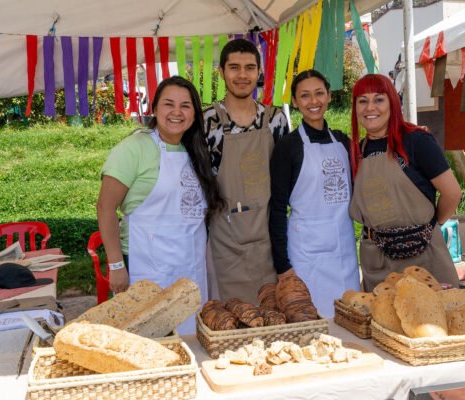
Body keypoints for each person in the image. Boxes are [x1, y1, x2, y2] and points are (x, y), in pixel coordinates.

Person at [97, 76, 222, 334]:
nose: (177, 112)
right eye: (169, 104)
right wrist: (116, 265)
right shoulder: (134, 148)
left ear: (194, 114)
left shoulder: (196, 150)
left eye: (186, 106)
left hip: (190, 266)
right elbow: (105, 208)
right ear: (154, 109)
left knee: (190, 340)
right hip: (146, 266)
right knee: (146, 340)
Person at [349, 74, 461, 291]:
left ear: (392, 102)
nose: (370, 107)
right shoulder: (355, 152)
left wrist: (427, 227)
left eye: (378, 99)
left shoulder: (417, 142)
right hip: (377, 263)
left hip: (424, 259)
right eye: (362, 101)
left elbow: (453, 193)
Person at [204, 39, 290, 304]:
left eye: (250, 67)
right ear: (221, 72)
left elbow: (286, 178)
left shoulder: (275, 118)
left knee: (273, 313)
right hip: (226, 240)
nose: (242, 75)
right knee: (232, 319)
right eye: (234, 67)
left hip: (269, 236)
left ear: (259, 71)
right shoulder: (207, 121)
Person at [269, 70, 360, 317]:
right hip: (306, 256)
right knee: (313, 323)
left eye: (319, 93)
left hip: (345, 252)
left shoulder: (343, 142)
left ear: (329, 96)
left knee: (350, 320)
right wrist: (282, 265)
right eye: (305, 96)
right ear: (296, 102)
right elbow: (276, 208)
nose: (314, 101)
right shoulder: (287, 147)